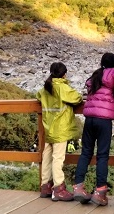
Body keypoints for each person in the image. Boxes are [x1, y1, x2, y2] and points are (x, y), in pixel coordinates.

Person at [73, 52, 114, 206]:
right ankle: (100, 191)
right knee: (102, 155)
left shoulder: (95, 76)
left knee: (86, 152)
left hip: (89, 119)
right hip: (104, 120)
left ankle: (78, 187)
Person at [36, 61, 83, 202]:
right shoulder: (62, 88)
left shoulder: (45, 88)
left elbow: (38, 96)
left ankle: (45, 186)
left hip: (48, 127)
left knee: (47, 155)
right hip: (60, 129)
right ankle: (58, 188)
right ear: (64, 74)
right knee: (58, 158)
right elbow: (77, 98)